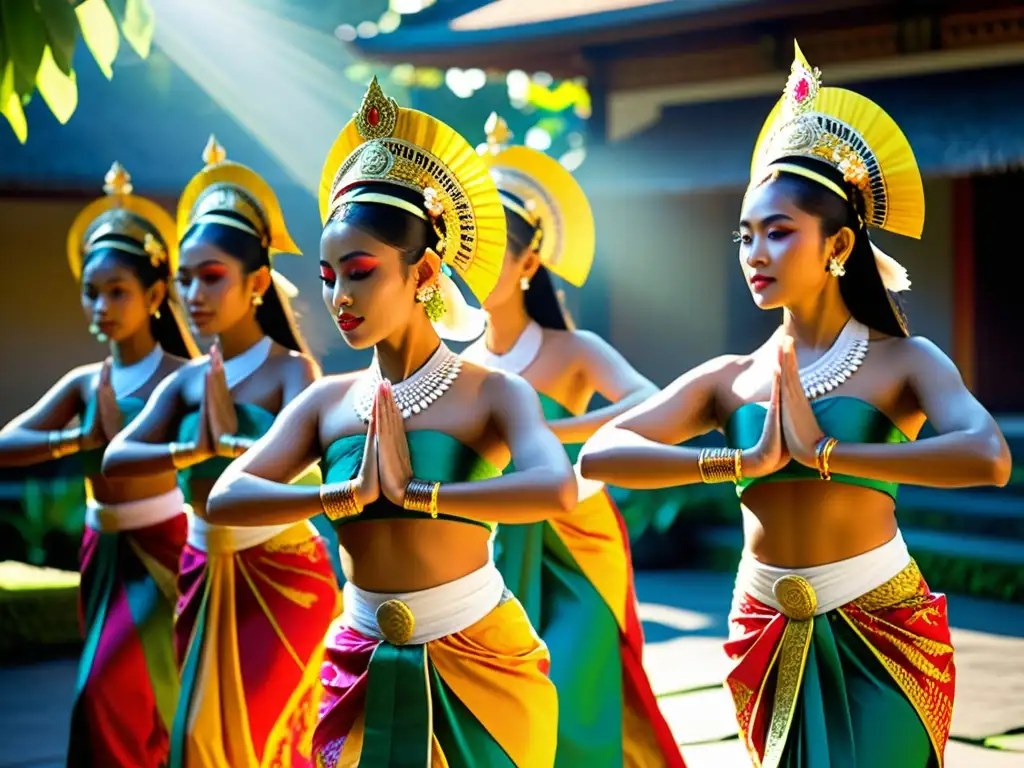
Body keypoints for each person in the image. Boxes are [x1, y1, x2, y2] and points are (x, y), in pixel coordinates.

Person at [578, 42, 1012, 768]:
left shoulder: (903, 360)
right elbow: (601, 454)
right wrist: (736, 462)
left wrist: (829, 456)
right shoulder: (733, 376)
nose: (756, 253)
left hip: (878, 623)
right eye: (746, 236)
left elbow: (990, 456)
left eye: (779, 233)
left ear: (838, 243)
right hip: (765, 626)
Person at [202, 78, 578, 767]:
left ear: (424, 269)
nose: (339, 296)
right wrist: (334, 497)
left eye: (361, 271)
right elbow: (226, 498)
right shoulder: (325, 402)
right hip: (360, 656)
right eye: (327, 275)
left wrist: (422, 496)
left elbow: (556, 489)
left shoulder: (492, 393)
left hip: (479, 657)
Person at [102, 138, 340, 767]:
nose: (194, 295)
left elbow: (313, 462)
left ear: (257, 280)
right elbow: (116, 460)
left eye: (211, 277)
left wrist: (231, 445)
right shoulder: (184, 382)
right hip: (203, 571)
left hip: (283, 572)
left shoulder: (293, 372)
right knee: (198, 744)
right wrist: (190, 448)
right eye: (184, 281)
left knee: (264, 741)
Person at [463, 114, 682, 767]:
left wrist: (550, 432)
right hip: (491, 546)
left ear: (529, 260)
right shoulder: (460, 363)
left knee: (572, 698)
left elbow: (651, 400)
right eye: (463, 250)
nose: (470, 266)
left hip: (575, 543)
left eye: (490, 249)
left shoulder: (573, 350)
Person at [0, 162, 198, 767]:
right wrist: (76, 440)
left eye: (118, 292)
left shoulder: (181, 377)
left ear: (156, 296)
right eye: (92, 291)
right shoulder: (86, 384)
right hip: (101, 551)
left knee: (107, 690)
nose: (102, 305)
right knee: (130, 698)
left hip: (161, 548)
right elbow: (7, 444)